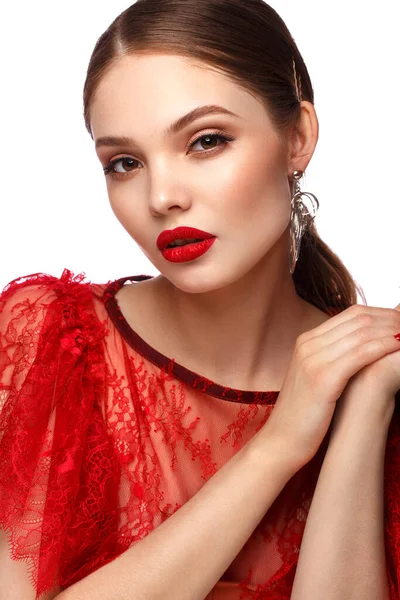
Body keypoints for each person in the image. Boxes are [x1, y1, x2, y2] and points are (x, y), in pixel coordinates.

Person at [1, 1, 400, 598]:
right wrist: (278, 447)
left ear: (298, 138)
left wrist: (364, 406)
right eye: (125, 163)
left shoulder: (380, 376)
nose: (162, 195)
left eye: (206, 141)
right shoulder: (52, 344)